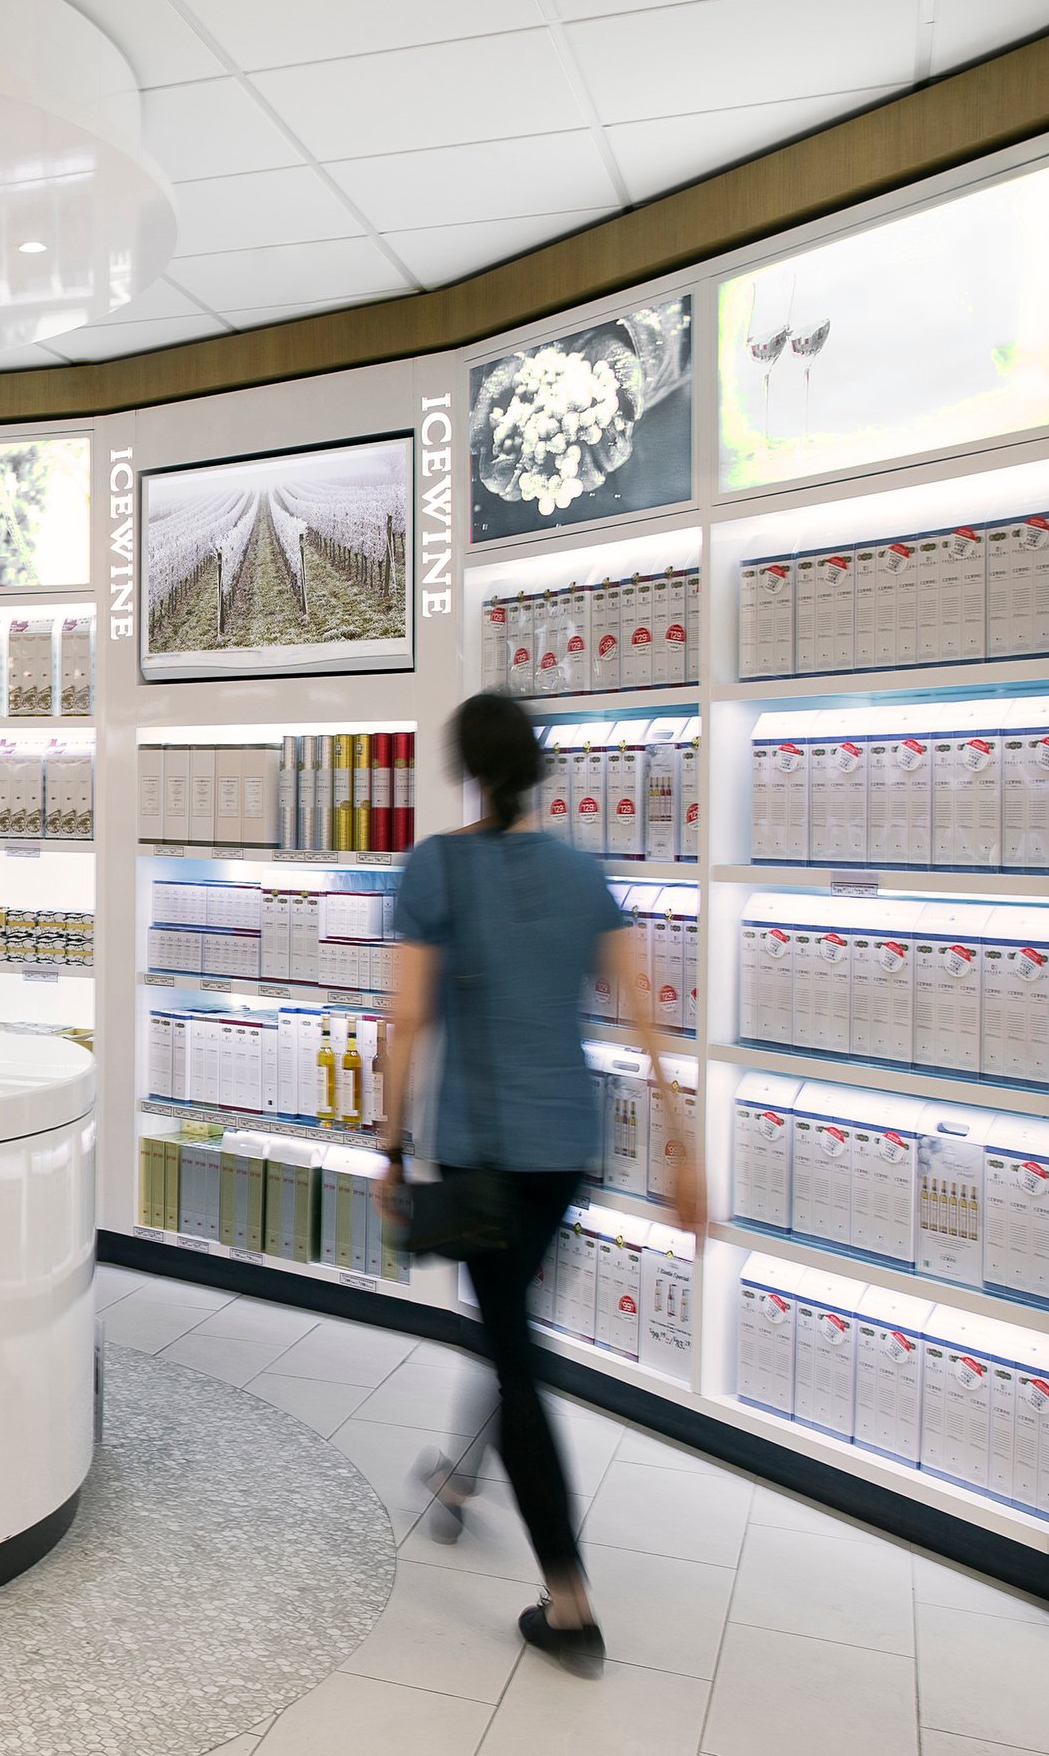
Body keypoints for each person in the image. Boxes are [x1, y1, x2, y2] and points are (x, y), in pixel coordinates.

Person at [372, 691, 703, 1673]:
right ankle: (459, 1476)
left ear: (467, 770)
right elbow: (643, 1015)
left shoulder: (436, 867)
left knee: (516, 1355)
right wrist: (682, 1147)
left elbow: (407, 1022)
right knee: (509, 1313)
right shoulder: (580, 872)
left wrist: (389, 1146)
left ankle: (570, 1602)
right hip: (565, 1149)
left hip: (481, 1152)